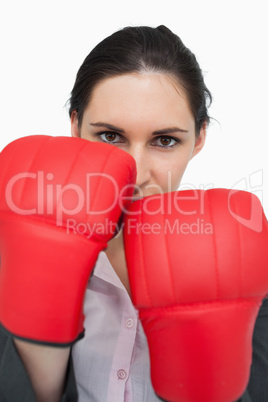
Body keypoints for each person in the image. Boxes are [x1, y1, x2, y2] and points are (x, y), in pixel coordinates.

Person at [0, 25, 267, 402]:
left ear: (199, 138)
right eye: (110, 136)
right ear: (75, 126)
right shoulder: (14, 257)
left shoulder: (252, 270)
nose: (135, 173)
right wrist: (40, 344)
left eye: (165, 140)